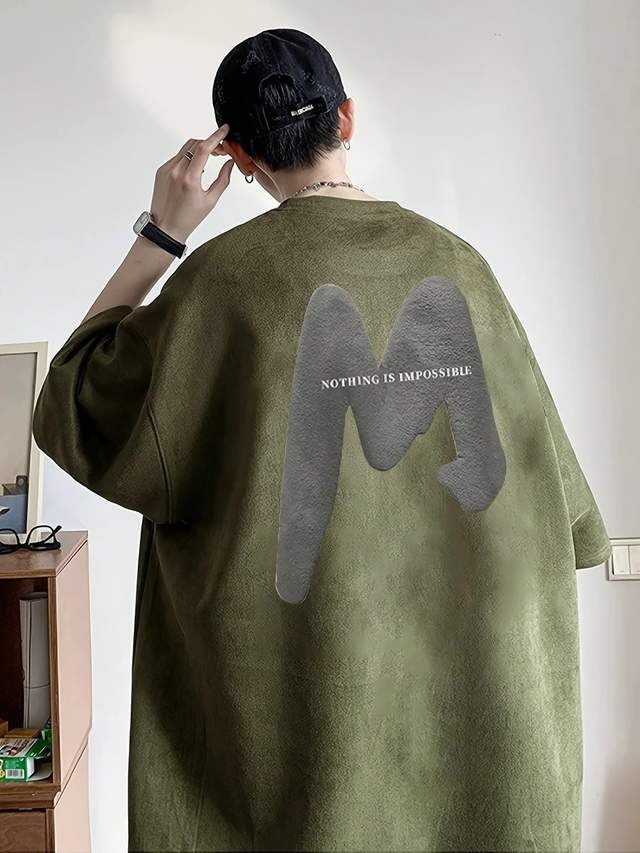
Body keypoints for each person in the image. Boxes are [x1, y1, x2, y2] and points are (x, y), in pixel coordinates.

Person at [32, 27, 611, 853]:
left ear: (238, 156)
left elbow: (72, 404)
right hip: (477, 779)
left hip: (298, 773)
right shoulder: (464, 269)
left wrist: (162, 231)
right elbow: (567, 517)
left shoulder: (220, 284)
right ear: (347, 116)